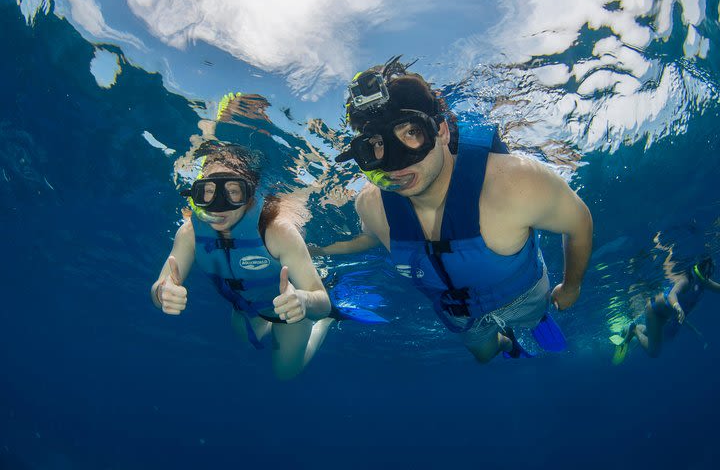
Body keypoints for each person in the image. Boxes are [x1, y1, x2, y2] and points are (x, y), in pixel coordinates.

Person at [331, 56, 594, 363]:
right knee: (484, 355)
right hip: (458, 316)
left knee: (534, 318)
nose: (393, 162)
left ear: (441, 131)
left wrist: (571, 286)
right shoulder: (371, 204)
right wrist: (314, 250)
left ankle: (535, 324)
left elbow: (579, 223)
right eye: (376, 143)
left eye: (410, 133)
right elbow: (370, 238)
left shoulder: (515, 183)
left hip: (525, 296)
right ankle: (509, 345)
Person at [151, 144, 334, 380]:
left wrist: (303, 300)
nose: (218, 204)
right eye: (207, 190)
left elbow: (323, 304)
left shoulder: (278, 231)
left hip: (291, 313)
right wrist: (162, 294)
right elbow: (159, 286)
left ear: (250, 196)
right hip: (244, 310)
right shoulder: (190, 234)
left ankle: (324, 327)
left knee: (285, 373)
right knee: (245, 344)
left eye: (233, 191)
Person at [612, 257, 719, 362]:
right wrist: (677, 306)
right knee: (654, 352)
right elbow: (672, 295)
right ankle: (634, 330)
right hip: (654, 311)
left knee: (648, 332)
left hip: (664, 314)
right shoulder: (686, 279)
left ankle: (628, 329)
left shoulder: (704, 282)